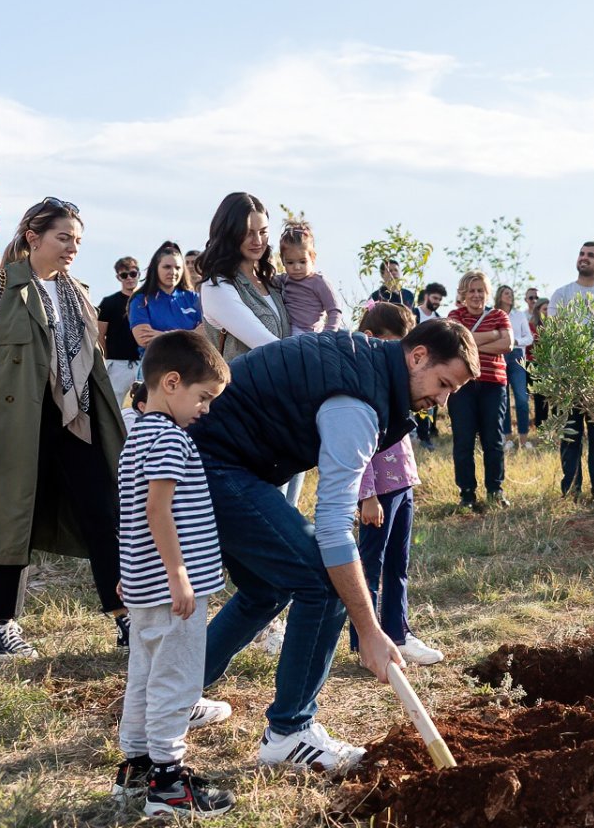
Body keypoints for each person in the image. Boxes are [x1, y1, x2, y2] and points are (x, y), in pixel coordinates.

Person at [191, 320, 478, 773]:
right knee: (324, 583)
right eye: (443, 384)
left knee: (268, 588)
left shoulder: (371, 367)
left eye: (452, 392)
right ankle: (290, 732)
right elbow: (332, 527)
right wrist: (368, 628)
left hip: (224, 457)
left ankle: (176, 694)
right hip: (209, 460)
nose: (442, 401)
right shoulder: (358, 405)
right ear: (417, 356)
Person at [0, 197, 127, 660]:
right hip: (15, 421)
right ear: (33, 237)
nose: (72, 247)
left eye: (77, 240)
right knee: (14, 516)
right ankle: (1, 627)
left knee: (104, 512)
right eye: (63, 237)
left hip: (78, 419)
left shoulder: (80, 292)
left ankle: (126, 617)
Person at [112, 329, 236, 819]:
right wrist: (179, 575)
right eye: (202, 397)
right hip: (174, 589)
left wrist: (131, 571)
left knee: (143, 676)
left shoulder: (137, 434)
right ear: (170, 383)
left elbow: (129, 512)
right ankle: (168, 781)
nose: (204, 408)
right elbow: (157, 511)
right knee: (177, 680)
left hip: (146, 585)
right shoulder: (169, 439)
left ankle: (137, 767)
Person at [354, 302, 443, 666]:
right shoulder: (362, 384)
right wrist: (368, 496)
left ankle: (398, 633)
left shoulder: (398, 381)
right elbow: (358, 451)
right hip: (379, 492)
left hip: (402, 483)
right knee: (370, 566)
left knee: (398, 563)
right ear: (372, 339)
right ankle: (366, 643)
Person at [446, 270, 512, 512]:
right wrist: (492, 335)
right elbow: (454, 342)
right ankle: (467, 493)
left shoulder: (498, 314)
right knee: (463, 440)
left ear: (487, 293)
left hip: (494, 384)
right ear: (463, 294)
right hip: (462, 385)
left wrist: (471, 341)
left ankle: (495, 490)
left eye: (480, 290)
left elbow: (507, 344)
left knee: (493, 440)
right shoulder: (455, 315)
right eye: (471, 291)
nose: (476, 295)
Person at [551, 242, 594, 498]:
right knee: (571, 436)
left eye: (590, 255)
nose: (584, 258)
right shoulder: (561, 294)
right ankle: (571, 489)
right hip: (569, 378)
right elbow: (553, 333)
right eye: (581, 254)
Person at [199, 192, 289, 363]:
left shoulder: (272, 282)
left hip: (283, 386)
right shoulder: (216, 285)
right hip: (241, 388)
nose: (258, 241)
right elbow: (266, 344)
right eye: (248, 233)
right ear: (229, 233)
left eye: (263, 232)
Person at [127, 241, 203, 348]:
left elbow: (208, 334)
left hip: (192, 362)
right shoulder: (141, 300)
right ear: (155, 268)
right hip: (156, 362)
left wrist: (162, 335)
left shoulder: (194, 299)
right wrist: (192, 334)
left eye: (178, 268)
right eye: (167, 267)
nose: (173, 272)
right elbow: (145, 339)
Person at [279, 223, 345, 333]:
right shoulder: (284, 280)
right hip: (287, 333)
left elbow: (334, 310)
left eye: (302, 262)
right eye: (290, 262)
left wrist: (328, 334)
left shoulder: (318, 282)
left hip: (311, 334)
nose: (296, 267)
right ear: (283, 261)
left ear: (312, 258)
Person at [96, 255, 145, 398]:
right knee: (115, 407)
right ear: (119, 277)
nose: (129, 278)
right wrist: (108, 358)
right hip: (118, 365)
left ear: (139, 274)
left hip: (144, 361)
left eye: (133, 273)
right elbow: (99, 334)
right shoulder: (109, 302)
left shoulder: (149, 300)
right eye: (124, 275)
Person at [496, 285, 533, 454]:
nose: (510, 296)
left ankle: (524, 441)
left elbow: (529, 338)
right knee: (503, 399)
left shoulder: (519, 315)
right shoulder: (494, 315)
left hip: (517, 356)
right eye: (506, 294)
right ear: (499, 296)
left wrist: (514, 341)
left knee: (521, 399)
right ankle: (508, 439)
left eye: (511, 293)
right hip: (500, 356)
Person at [527, 297, 550, 429]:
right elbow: (529, 348)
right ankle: (540, 426)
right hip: (536, 366)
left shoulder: (556, 326)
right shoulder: (531, 326)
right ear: (538, 310)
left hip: (552, 367)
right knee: (540, 398)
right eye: (544, 309)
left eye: (549, 309)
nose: (547, 312)